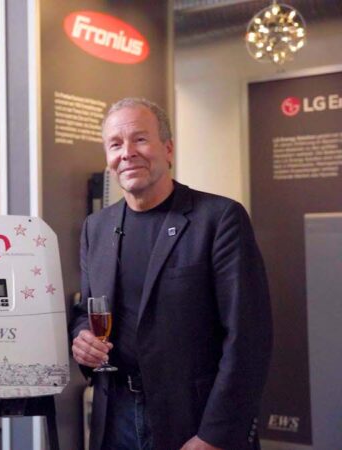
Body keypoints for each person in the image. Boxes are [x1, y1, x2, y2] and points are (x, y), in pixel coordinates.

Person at [70, 98, 272, 450]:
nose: (127, 153)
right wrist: (82, 337)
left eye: (140, 139)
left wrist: (215, 435)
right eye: (115, 144)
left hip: (193, 423)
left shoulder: (219, 218)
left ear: (168, 148)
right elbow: (87, 312)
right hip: (114, 418)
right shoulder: (95, 228)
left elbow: (248, 338)